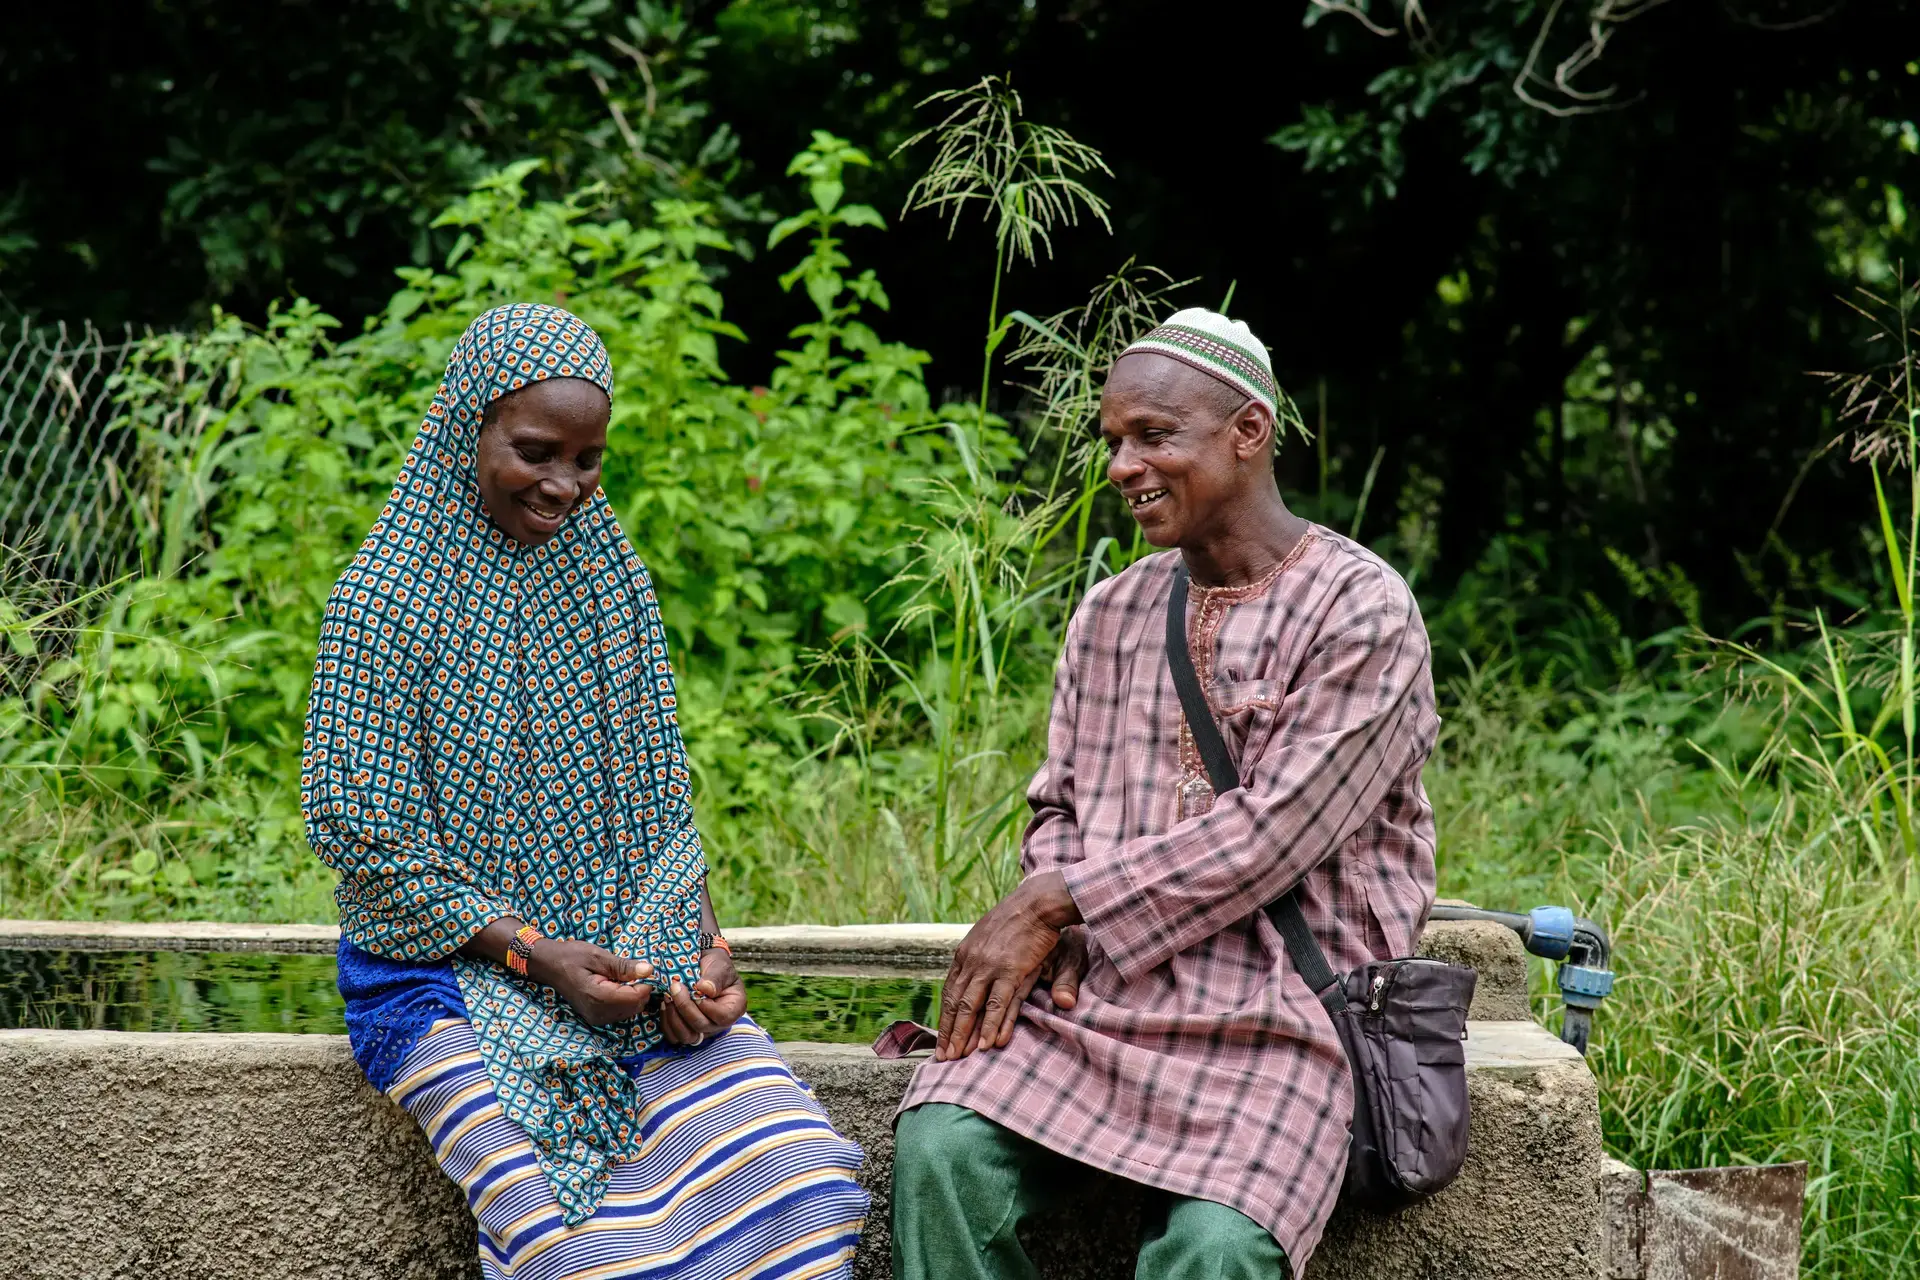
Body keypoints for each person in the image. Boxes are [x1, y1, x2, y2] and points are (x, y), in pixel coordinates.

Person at [302, 303, 868, 1280]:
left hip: (613, 953)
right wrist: (535, 953)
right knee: (585, 1250)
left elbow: (659, 806)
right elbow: (365, 838)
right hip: (442, 965)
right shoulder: (384, 601)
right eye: (534, 452)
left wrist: (706, 952)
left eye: (589, 458)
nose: (564, 484)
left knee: (799, 1174)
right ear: (463, 430)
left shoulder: (607, 583)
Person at [889, 309, 1439, 1279]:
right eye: (1113, 442)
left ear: (1248, 431)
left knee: (1216, 1248)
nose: (1123, 465)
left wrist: (1059, 900)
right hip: (1099, 1005)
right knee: (940, 1148)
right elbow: (1055, 805)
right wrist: (1055, 919)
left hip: (1280, 1024)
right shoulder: (1111, 612)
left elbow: (1272, 833)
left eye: (1153, 435)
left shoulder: (1364, 609)